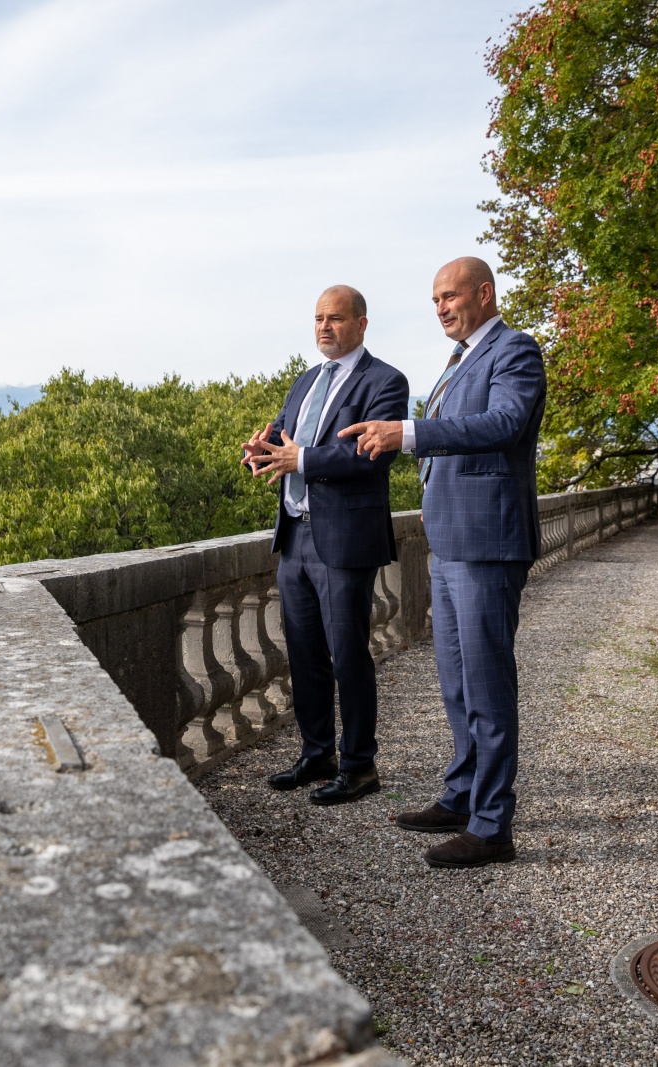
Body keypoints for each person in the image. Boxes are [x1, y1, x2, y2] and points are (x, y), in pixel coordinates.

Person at [339, 257, 546, 869]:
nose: (441, 309)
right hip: (451, 540)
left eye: (450, 297)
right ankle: (461, 795)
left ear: (484, 293)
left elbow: (503, 424)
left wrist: (409, 435)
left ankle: (491, 826)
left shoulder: (514, 350)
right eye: (435, 301)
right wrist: (431, 489)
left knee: (487, 683)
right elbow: (458, 438)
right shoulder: (459, 361)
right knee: (457, 683)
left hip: (487, 543)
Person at [242, 285, 409, 805]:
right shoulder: (305, 381)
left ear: (361, 323)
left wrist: (304, 462)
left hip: (344, 540)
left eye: (335, 318)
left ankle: (360, 766)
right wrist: (261, 454)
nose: (324, 327)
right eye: (317, 318)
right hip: (295, 536)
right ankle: (318, 754)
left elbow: (373, 455)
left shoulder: (385, 381)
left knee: (348, 655)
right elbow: (285, 446)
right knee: (304, 653)